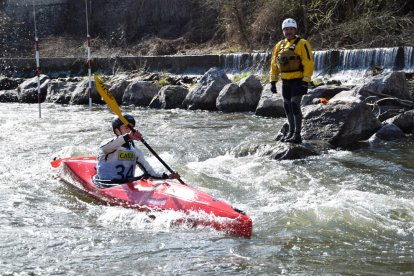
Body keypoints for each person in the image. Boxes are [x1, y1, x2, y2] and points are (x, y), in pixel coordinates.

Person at [96, 114, 180, 184]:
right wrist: (128, 136)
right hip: (106, 184)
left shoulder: (135, 151)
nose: (130, 130)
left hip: (126, 185)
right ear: (117, 131)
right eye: (126, 128)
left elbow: (150, 173)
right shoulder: (107, 144)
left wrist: (167, 175)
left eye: (131, 128)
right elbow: (105, 148)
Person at [269, 18, 314, 143]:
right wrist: (273, 81)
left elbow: (308, 62)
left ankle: (297, 134)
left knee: (295, 105)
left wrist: (306, 81)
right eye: (286, 29)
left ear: (295, 30)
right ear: (283, 31)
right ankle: (290, 132)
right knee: (287, 106)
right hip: (285, 82)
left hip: (298, 81)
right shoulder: (279, 45)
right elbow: (274, 63)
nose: (289, 31)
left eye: (291, 29)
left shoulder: (302, 43)